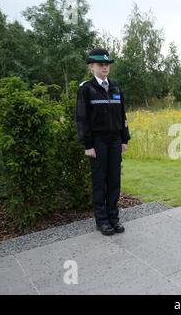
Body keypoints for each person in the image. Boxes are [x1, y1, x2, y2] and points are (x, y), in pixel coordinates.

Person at [75, 48, 130, 236]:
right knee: (100, 181)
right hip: (97, 142)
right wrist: (87, 144)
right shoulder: (86, 89)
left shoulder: (115, 87)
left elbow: (122, 115)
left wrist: (124, 138)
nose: (105, 67)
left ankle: (113, 218)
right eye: (101, 64)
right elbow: (81, 118)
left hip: (115, 140)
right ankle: (102, 221)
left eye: (107, 64)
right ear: (92, 67)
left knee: (114, 180)